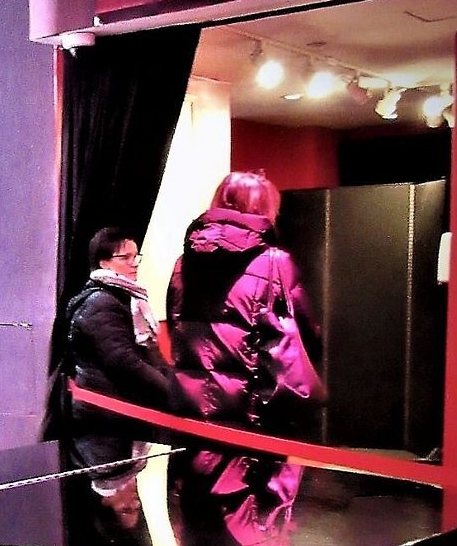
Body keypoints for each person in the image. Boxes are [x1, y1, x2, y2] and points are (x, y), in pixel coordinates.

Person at [166, 170, 322, 432]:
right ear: (265, 208)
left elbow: (176, 326)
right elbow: (306, 333)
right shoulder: (275, 262)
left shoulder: (184, 263)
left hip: (190, 408)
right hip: (251, 411)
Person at [64, 227, 178, 437]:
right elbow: (123, 361)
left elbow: (145, 354)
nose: (134, 263)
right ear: (103, 262)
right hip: (103, 416)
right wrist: (174, 392)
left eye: (136, 257)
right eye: (125, 258)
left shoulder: (127, 298)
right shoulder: (100, 302)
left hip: (116, 412)